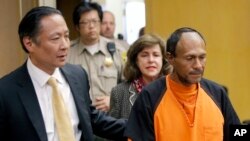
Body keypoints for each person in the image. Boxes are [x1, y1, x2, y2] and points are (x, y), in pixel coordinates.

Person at [0, 6, 127, 141]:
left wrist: (140, 126)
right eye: (55, 38)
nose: (65, 45)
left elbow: (91, 119)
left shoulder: (77, 75)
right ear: (29, 43)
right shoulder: (6, 91)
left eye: (66, 36)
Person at [124, 27, 240, 141]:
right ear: (170, 58)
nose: (198, 65)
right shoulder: (150, 96)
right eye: (190, 58)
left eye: (202, 57)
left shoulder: (217, 93)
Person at [67, 2, 125, 112]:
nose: (91, 26)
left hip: (111, 119)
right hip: (79, 118)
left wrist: (114, 100)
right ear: (77, 27)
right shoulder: (67, 52)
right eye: (85, 22)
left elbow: (131, 84)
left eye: (95, 21)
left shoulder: (117, 50)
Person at [109, 34, 171, 119]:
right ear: (136, 61)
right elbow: (113, 130)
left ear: (163, 60)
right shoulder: (119, 92)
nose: (151, 60)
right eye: (144, 55)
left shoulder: (174, 88)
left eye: (156, 55)